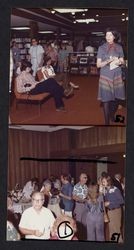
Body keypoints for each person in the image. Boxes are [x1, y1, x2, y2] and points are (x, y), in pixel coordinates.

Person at [97, 27, 125, 125]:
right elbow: (98, 64)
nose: (108, 37)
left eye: (110, 35)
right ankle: (106, 122)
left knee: (117, 99)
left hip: (117, 74)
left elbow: (122, 60)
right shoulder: (101, 48)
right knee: (106, 100)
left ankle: (112, 114)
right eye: (106, 35)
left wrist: (120, 61)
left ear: (114, 36)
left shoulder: (119, 47)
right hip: (105, 75)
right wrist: (108, 61)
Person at [104, 176, 124, 242]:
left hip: (116, 211)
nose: (102, 183)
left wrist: (110, 203)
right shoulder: (106, 190)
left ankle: (119, 241)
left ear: (108, 182)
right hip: (110, 211)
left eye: (104, 181)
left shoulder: (115, 190)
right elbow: (105, 200)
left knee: (116, 228)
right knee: (111, 228)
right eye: (102, 181)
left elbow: (121, 201)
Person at [72, 173, 88, 240]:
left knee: (85, 222)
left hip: (86, 206)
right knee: (78, 222)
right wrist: (82, 200)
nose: (86, 179)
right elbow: (74, 197)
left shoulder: (86, 186)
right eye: (85, 177)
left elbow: (87, 195)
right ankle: (78, 237)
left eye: (86, 178)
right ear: (80, 178)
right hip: (79, 206)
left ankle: (84, 236)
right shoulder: (76, 186)